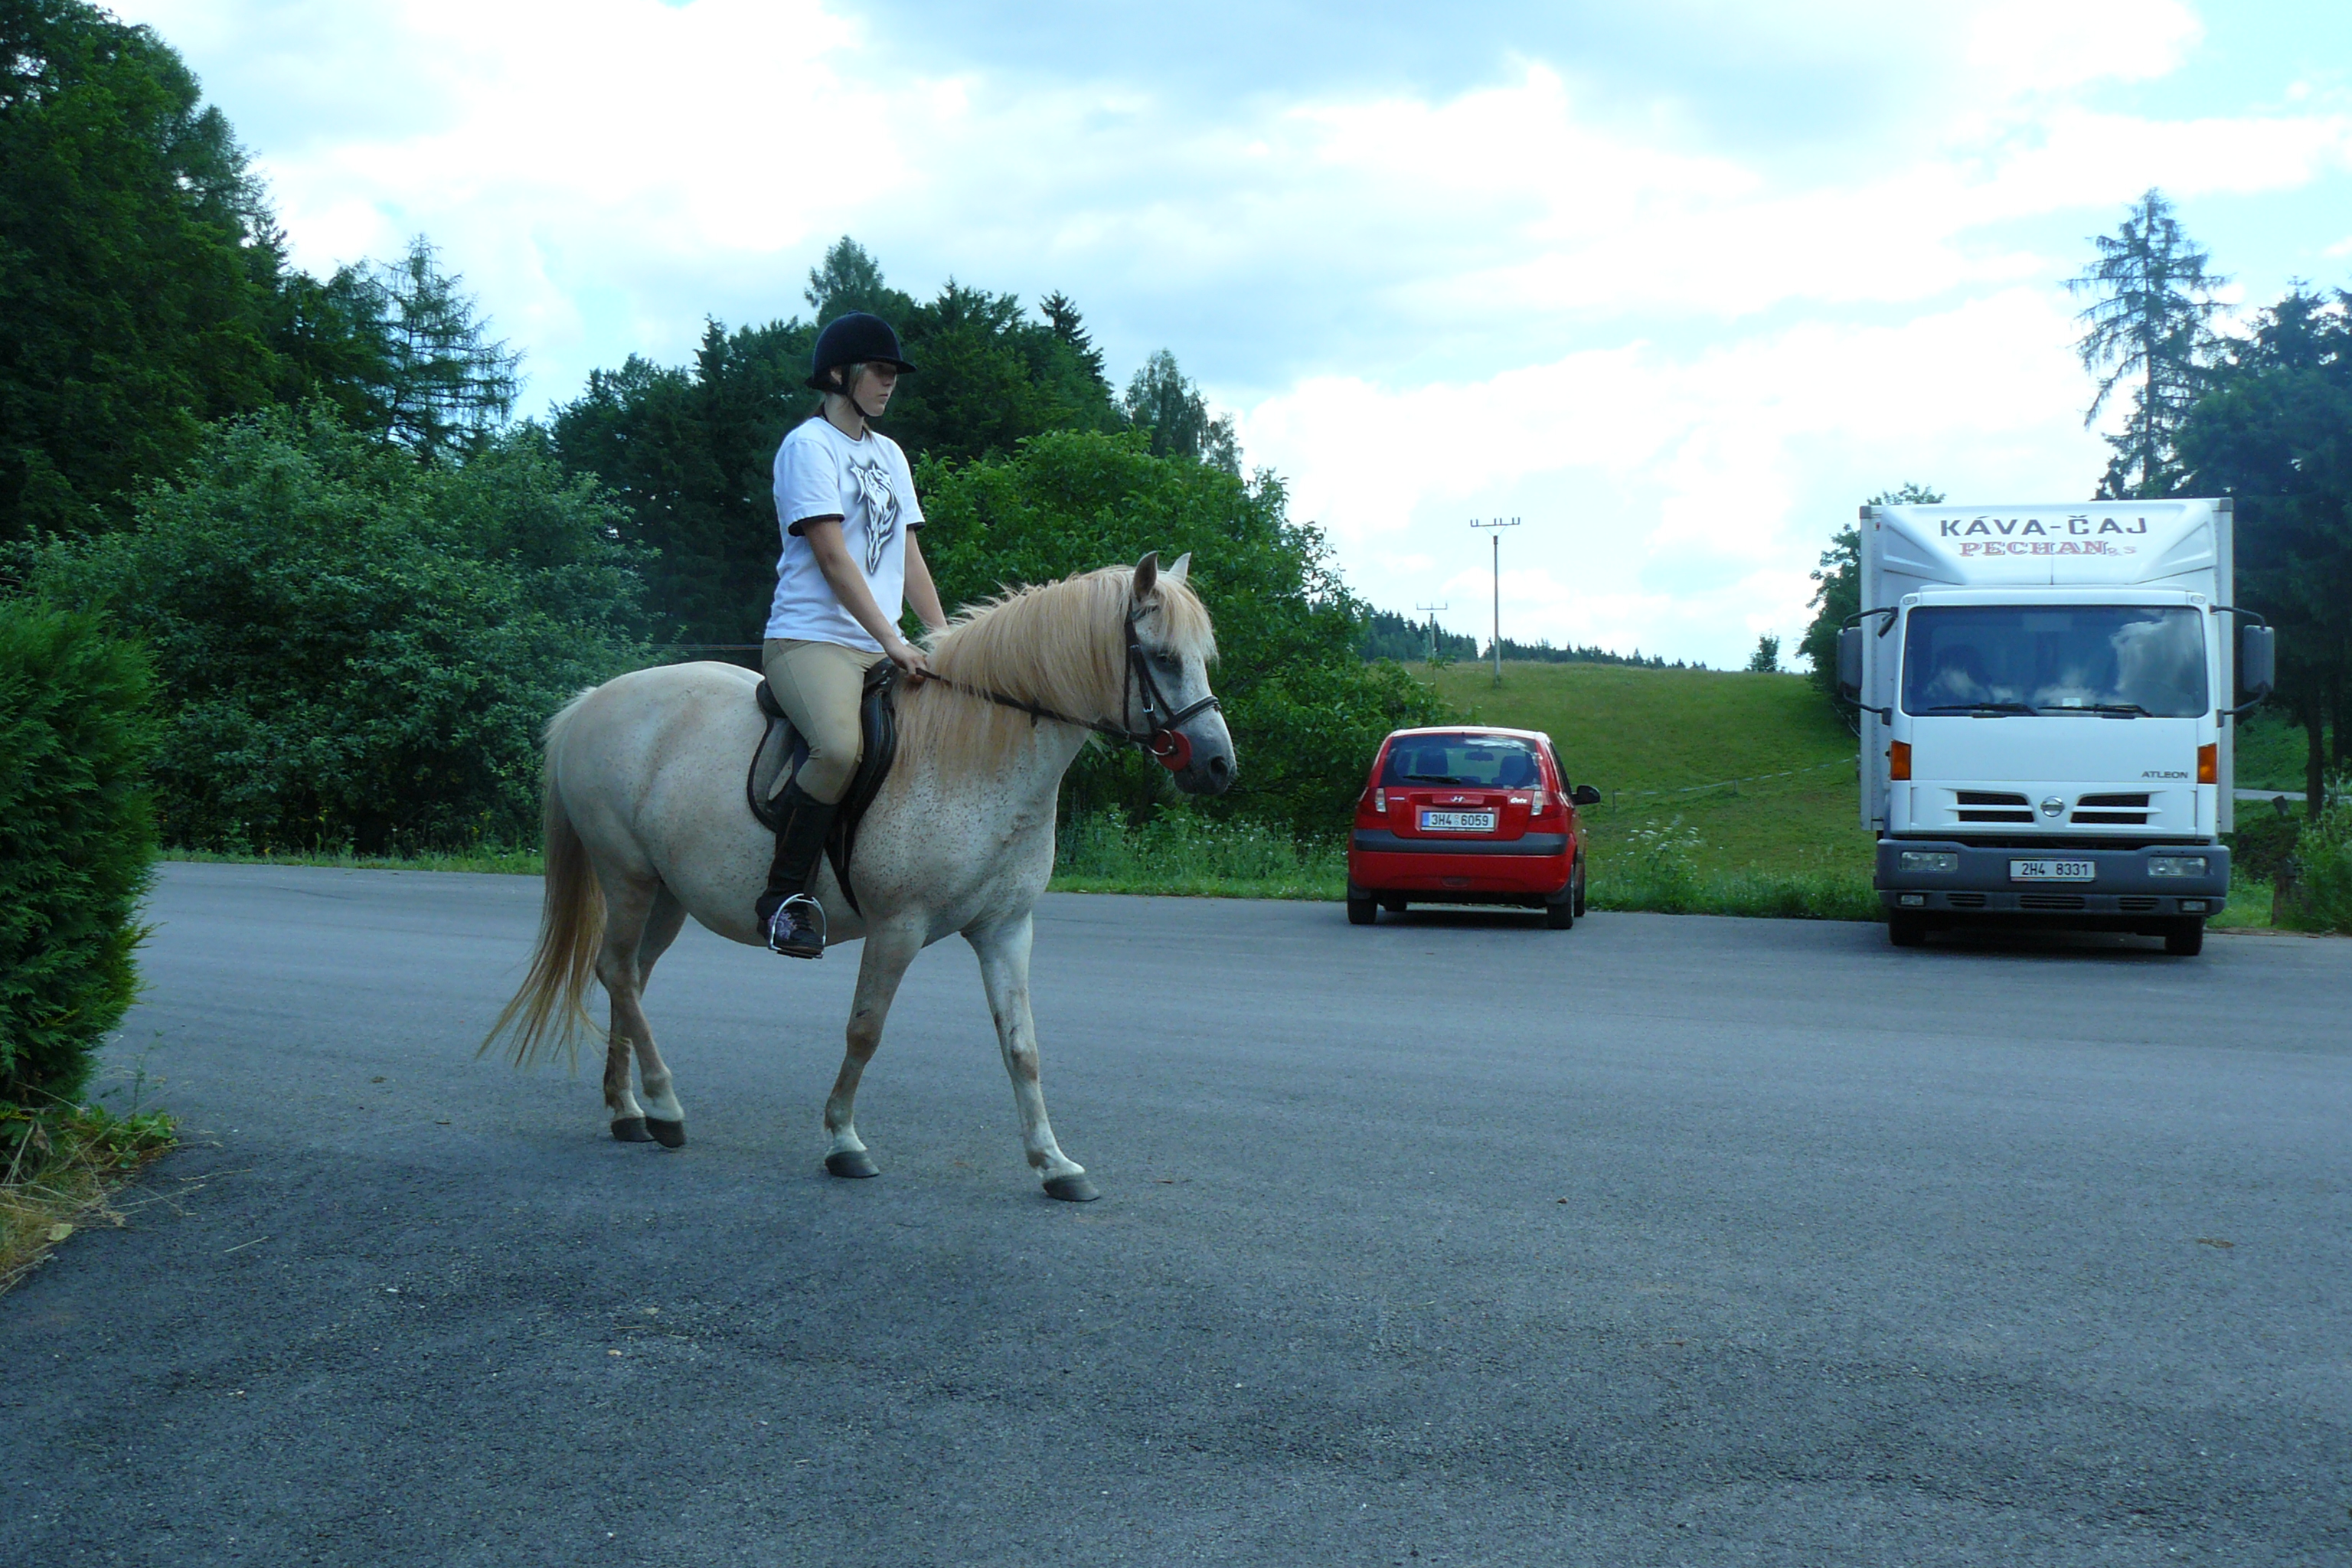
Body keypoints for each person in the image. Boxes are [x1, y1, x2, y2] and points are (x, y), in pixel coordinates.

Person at [756, 312, 949, 958]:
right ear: (840, 374)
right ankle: (782, 899)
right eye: (881, 372)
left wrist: (944, 635)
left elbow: (908, 556)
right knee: (838, 750)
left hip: (877, 642)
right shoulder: (807, 447)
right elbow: (834, 558)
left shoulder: (889, 453)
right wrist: (893, 639)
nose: (890, 384)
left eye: (894, 374)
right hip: (811, 639)